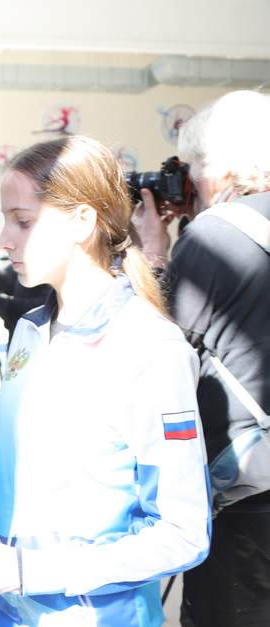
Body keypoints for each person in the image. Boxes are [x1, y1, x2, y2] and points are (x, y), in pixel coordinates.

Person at [0, 135, 211, 626]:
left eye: (23, 221)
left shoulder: (150, 348)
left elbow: (183, 534)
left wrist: (32, 571)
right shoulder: (29, 332)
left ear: (82, 221)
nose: (3, 240)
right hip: (12, 612)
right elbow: (16, 468)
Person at [132, 90, 270, 626]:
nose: (189, 180)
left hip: (248, 495)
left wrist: (154, 253)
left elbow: (156, 344)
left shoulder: (216, 235)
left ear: (220, 165)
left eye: (192, 166)